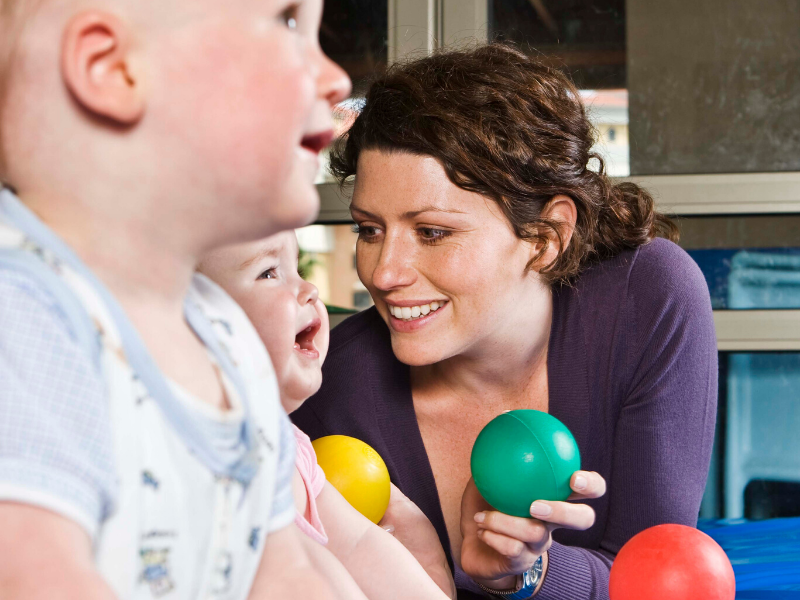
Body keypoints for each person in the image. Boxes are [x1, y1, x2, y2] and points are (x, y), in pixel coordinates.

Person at [292, 43, 718, 599]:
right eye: (369, 229)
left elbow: (653, 579)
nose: (384, 272)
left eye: (432, 232)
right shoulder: (332, 386)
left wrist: (526, 572)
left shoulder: (646, 300)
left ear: (545, 237)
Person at [0, 0, 353, 598]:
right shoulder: (24, 316)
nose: (338, 77)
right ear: (113, 69)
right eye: (288, 21)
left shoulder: (225, 338)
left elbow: (283, 573)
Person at [199, 231, 456, 599]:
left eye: (297, 267)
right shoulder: (188, 460)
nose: (309, 290)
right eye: (269, 272)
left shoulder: (290, 446)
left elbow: (359, 545)